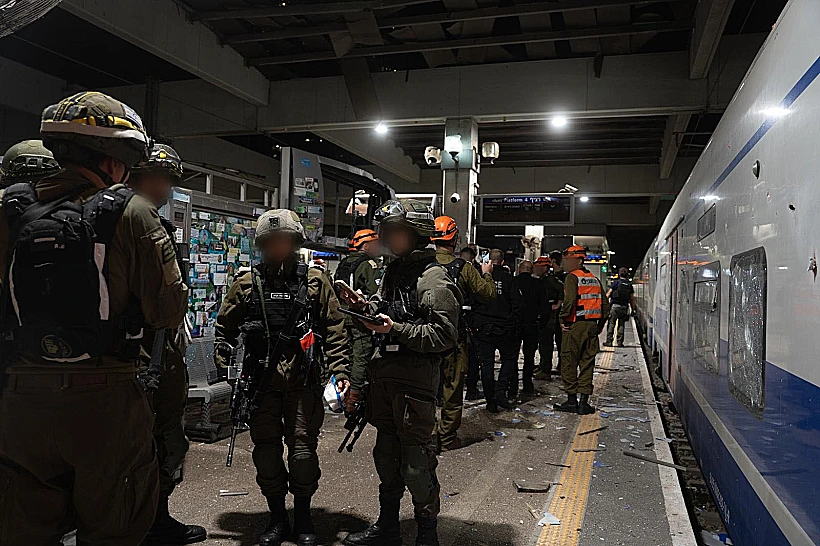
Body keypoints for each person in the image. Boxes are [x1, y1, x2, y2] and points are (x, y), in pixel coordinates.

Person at [0, 91, 188, 545]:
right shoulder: (132, 212)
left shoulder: (8, 211)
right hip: (105, 397)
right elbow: (167, 310)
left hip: (22, 398)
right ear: (117, 157)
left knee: (24, 526)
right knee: (114, 523)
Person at [214, 209, 350, 546]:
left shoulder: (315, 282)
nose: (278, 247)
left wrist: (341, 370)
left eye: (284, 240)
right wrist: (226, 357)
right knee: (267, 454)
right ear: (262, 244)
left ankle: (302, 515)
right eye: (271, 241)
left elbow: (335, 329)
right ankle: (277, 517)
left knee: (303, 453)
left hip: (303, 382)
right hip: (261, 383)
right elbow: (225, 328)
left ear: (294, 242)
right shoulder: (247, 283)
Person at [340, 200, 461, 546]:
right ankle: (387, 527)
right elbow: (387, 307)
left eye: (396, 232)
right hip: (386, 380)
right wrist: (366, 308)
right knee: (386, 458)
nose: (389, 238)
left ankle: (427, 534)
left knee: (416, 466)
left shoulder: (434, 277)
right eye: (387, 232)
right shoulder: (395, 272)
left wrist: (395, 330)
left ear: (416, 234)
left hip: (415, 382)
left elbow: (444, 336)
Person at [128, 143, 207, 545]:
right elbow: (165, 301)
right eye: (163, 180)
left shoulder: (129, 218)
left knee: (163, 439)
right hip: (142, 352)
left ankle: (152, 519)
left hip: (150, 348)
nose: (167, 189)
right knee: (153, 441)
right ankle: (146, 524)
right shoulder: (135, 219)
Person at [431, 216, 495, 451]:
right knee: (452, 388)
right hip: (453, 338)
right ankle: (447, 439)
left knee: (425, 389)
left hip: (423, 338)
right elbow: (487, 294)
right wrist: (487, 272)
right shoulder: (463, 267)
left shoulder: (422, 263)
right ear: (455, 239)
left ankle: (427, 436)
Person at [554, 246, 609, 415]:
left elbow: (569, 302)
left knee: (569, 361)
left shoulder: (572, 277)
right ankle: (584, 403)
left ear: (578, 260)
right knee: (587, 364)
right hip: (591, 326)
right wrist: (599, 326)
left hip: (575, 326)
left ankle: (572, 401)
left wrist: (562, 318)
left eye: (568, 260)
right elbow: (605, 307)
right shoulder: (593, 279)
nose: (566, 263)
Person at [335, 228, 382, 411]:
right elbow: (374, 292)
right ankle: (353, 399)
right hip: (359, 317)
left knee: (344, 354)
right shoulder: (369, 264)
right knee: (361, 355)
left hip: (341, 314)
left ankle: (340, 394)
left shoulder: (344, 263)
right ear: (367, 245)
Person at [472, 249, 522, 412]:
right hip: (505, 328)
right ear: (502, 262)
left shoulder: (480, 278)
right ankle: (501, 390)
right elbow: (517, 304)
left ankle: (490, 400)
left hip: (484, 328)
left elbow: (473, 301)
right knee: (508, 359)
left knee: (486, 365)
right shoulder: (508, 279)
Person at [515, 260, 544, 396]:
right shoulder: (538, 284)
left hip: (515, 325)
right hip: (532, 325)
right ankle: (527, 384)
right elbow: (545, 307)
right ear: (531, 270)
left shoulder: (513, 282)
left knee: (512, 356)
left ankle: (513, 384)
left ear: (519, 269)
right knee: (529, 356)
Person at [534, 256, 564, 381]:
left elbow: (562, 291)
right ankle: (544, 366)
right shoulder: (545, 280)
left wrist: (558, 304)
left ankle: (546, 370)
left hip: (550, 318)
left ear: (545, 268)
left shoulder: (550, 281)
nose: (536, 269)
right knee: (545, 343)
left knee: (546, 343)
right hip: (548, 317)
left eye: (538, 266)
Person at [605, 267, 635, 348]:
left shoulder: (616, 283)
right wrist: (633, 309)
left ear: (619, 274)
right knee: (621, 325)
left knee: (611, 323)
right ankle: (620, 342)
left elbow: (608, 294)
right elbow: (632, 299)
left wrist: (604, 304)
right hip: (624, 307)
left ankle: (609, 341)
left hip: (615, 306)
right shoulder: (629, 285)